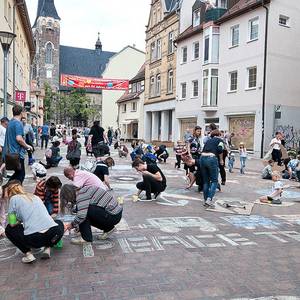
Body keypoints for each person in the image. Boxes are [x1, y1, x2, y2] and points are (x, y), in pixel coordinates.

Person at [4, 180, 64, 263]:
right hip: (53, 234)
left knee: (9, 229)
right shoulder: (35, 197)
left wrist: (21, 220)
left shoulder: (13, 199)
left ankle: (28, 255)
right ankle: (47, 248)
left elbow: (12, 223)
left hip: (34, 239)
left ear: (10, 192)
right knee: (59, 223)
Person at [3, 105, 33, 184]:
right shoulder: (18, 123)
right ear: (21, 113)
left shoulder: (10, 122)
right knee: (20, 174)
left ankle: (8, 190)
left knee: (18, 173)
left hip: (10, 153)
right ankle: (8, 189)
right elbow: (19, 138)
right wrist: (27, 147)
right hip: (17, 154)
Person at [200, 129, 224, 208]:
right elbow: (220, 149)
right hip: (211, 158)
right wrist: (221, 160)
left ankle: (205, 200)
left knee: (206, 181)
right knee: (214, 180)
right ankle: (209, 199)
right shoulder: (220, 140)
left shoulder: (208, 141)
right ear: (219, 135)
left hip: (202, 158)